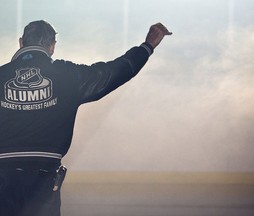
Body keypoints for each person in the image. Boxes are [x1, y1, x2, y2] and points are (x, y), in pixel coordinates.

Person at [0, 20, 172, 216]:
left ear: (21, 43)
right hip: (43, 181)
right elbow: (115, 72)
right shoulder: (69, 75)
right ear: (52, 47)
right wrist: (147, 46)